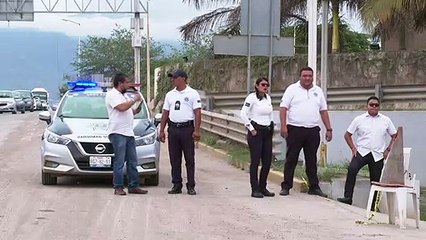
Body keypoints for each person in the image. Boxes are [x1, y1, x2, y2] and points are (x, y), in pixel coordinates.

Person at [279, 66, 332, 197]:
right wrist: (283, 126)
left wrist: (329, 128)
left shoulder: (318, 91)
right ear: (300, 76)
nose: (307, 78)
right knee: (291, 159)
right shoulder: (292, 89)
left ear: (313, 77)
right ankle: (286, 186)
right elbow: (283, 108)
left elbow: (323, 111)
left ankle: (314, 187)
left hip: (312, 130)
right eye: (305, 76)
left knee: (311, 160)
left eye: (310, 76)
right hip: (295, 129)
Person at [337, 96, 397, 206]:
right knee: (352, 170)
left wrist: (388, 149)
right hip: (361, 152)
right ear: (367, 106)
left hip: (377, 154)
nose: (374, 106)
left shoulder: (386, 120)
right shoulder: (359, 119)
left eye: (376, 105)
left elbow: (394, 135)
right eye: (371, 105)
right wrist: (353, 148)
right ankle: (348, 197)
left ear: (379, 107)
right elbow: (347, 135)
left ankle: (374, 205)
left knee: (376, 180)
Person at [159, 69, 202, 195]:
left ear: (183, 78)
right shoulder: (170, 95)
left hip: (187, 129)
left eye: (175, 77)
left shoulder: (193, 93)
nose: (173, 80)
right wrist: (162, 130)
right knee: (174, 158)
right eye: (172, 78)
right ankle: (176, 184)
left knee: (189, 158)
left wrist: (197, 130)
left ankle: (191, 185)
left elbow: (197, 112)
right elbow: (165, 113)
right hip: (173, 129)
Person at [105, 73, 148, 195]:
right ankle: (118, 186)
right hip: (118, 132)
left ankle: (133, 185)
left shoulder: (121, 96)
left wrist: (135, 110)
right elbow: (121, 108)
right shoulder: (112, 95)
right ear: (120, 83)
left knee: (132, 161)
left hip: (128, 132)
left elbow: (127, 111)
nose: (128, 85)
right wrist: (134, 99)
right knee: (119, 161)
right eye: (127, 82)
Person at [240, 77, 275, 198]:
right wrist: (251, 128)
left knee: (267, 161)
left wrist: (272, 125)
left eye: (267, 85)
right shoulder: (251, 98)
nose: (265, 87)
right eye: (263, 84)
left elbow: (271, 113)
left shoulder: (268, 98)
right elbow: (243, 114)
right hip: (256, 131)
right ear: (256, 86)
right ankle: (255, 189)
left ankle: (263, 186)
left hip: (267, 131)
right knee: (255, 161)